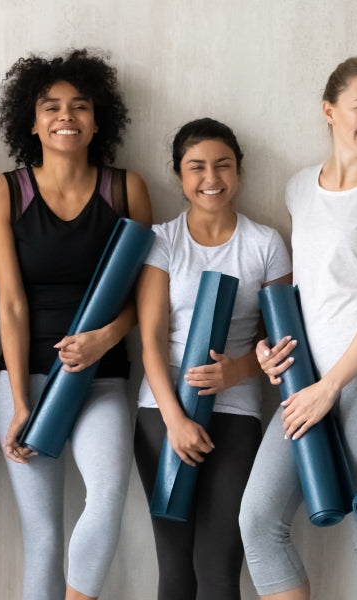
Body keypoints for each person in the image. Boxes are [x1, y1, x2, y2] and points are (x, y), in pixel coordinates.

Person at [238, 56, 357, 600]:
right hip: (306, 382)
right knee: (258, 520)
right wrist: (268, 346)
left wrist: (331, 385)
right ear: (329, 111)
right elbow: (307, 288)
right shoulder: (299, 188)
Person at [0, 48, 152, 600]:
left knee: (105, 500)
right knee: (44, 538)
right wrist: (21, 402)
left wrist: (107, 337)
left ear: (98, 120)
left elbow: (147, 296)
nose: (66, 116)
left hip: (102, 377)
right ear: (30, 122)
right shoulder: (2, 191)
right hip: (24, 378)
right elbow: (9, 302)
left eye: (80, 106)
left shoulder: (127, 188)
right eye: (51, 106)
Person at [133, 118, 292, 600]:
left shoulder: (264, 244)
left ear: (239, 172)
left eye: (223, 165)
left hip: (238, 413)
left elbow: (281, 343)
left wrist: (237, 370)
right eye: (196, 167)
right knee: (175, 567)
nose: (211, 178)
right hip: (161, 414)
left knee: (219, 566)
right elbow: (151, 340)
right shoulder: (162, 240)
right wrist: (175, 420)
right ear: (179, 175)